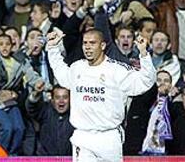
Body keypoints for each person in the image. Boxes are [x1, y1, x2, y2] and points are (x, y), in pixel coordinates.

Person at [46, 29, 156, 161]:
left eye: (92, 43)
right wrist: (52, 48)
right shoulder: (77, 68)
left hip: (109, 138)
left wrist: (144, 54)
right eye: (85, 43)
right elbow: (61, 74)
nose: (87, 47)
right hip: (83, 137)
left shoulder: (117, 70)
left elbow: (144, 82)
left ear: (103, 46)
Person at [26, 85, 74, 155]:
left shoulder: (76, 115)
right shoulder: (46, 111)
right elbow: (32, 108)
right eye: (57, 97)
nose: (61, 101)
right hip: (46, 157)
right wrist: (36, 94)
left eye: (65, 97)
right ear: (52, 100)